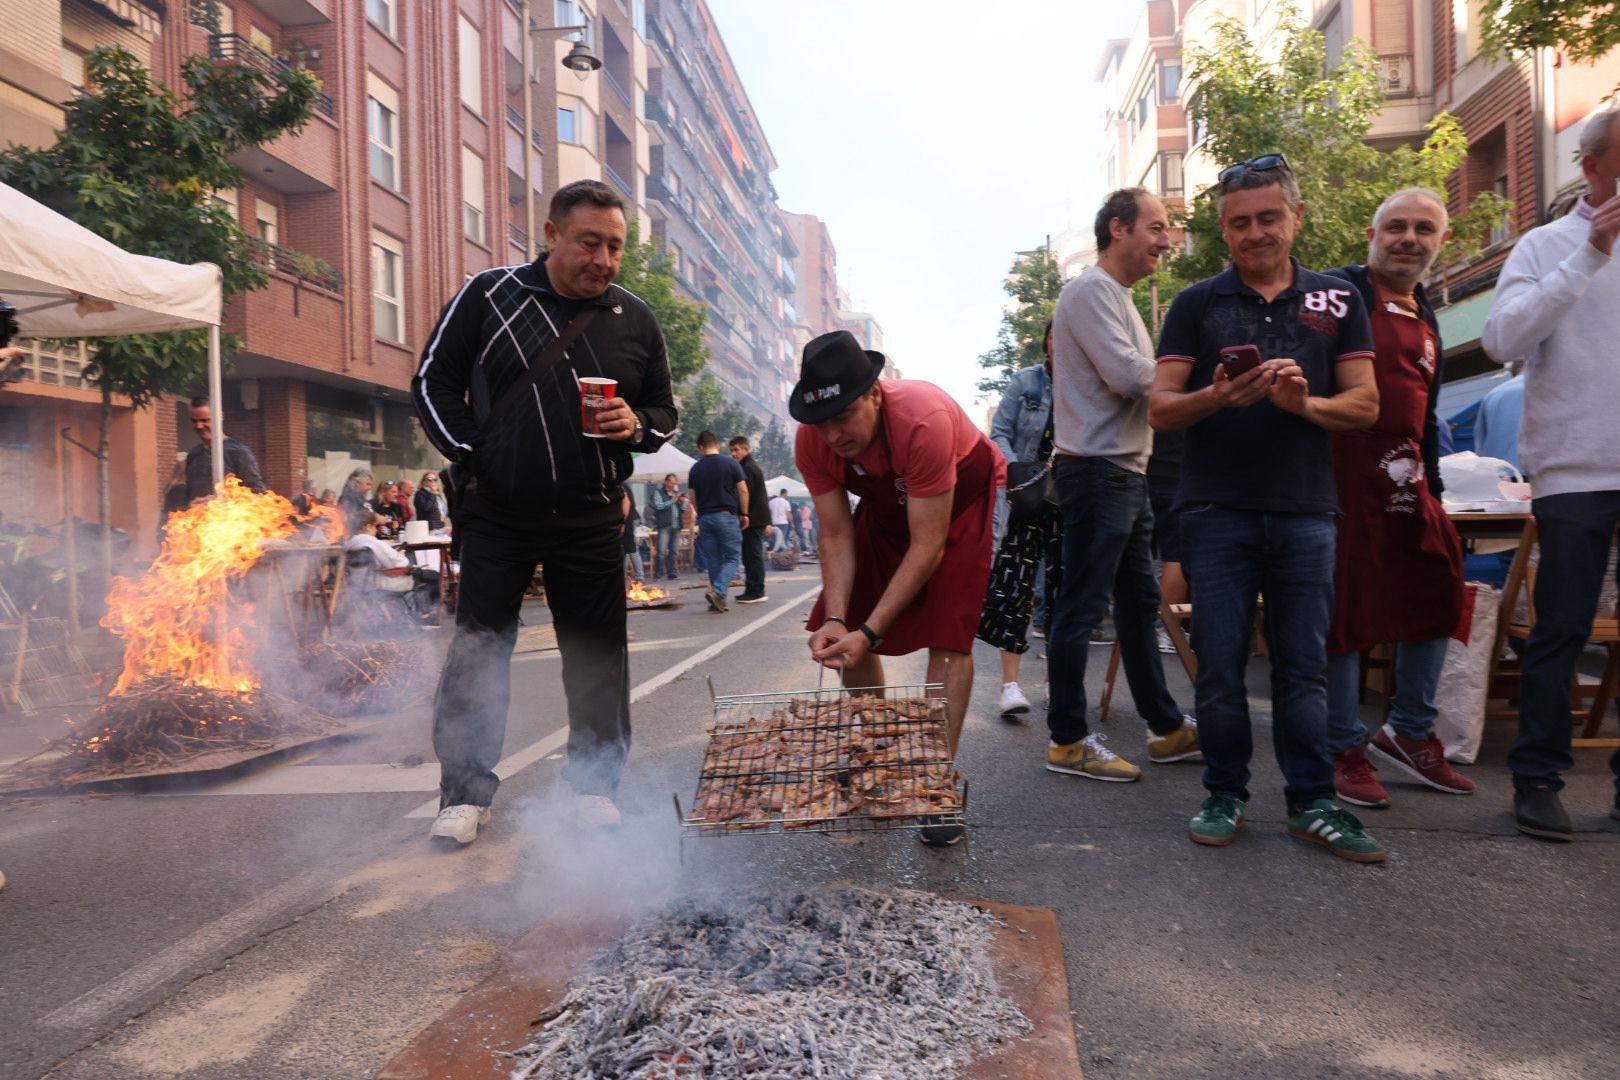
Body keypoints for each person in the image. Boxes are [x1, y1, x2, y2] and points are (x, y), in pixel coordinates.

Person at [413, 178, 677, 845]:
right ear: (553, 232)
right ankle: (464, 795)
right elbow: (430, 382)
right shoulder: (489, 293)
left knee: (597, 656)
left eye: (615, 247)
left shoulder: (635, 319)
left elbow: (665, 415)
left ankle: (595, 786)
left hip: (591, 515)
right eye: (591, 242)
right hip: (496, 513)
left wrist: (636, 425)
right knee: (481, 651)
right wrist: (474, 455)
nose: (604, 259)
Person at [1148, 153, 1387, 863]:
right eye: (1240, 222)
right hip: (1216, 511)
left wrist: (1301, 403)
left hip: (1306, 509)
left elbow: (1366, 404)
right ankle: (1225, 792)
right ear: (1224, 231)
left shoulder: (1337, 300)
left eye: (1268, 218)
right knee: (1219, 665)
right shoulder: (1197, 304)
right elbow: (1160, 409)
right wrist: (1218, 396)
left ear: (1296, 216)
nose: (1256, 233)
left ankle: (1312, 803)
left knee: (1302, 667)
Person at [794, 329, 1005, 847]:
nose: (834, 435)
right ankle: (877, 753)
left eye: (843, 416)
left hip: (960, 501)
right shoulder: (813, 442)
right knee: (849, 632)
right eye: (822, 424)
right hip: (886, 510)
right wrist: (843, 620)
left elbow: (928, 547)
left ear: (874, 393)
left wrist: (872, 628)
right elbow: (838, 533)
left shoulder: (921, 420)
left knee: (949, 635)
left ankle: (933, 783)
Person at [1481, 104, 1620, 840]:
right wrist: (1590, 254)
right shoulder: (1544, 246)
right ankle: (1537, 778)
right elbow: (1503, 335)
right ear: (1593, 167)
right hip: (1574, 469)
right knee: (1562, 625)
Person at [1322, 188, 1476, 808]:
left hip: (1408, 475)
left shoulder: (1428, 310)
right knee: (1347, 611)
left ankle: (1408, 732)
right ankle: (1342, 746)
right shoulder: (1339, 291)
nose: (1409, 239)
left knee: (1441, 588)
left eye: (1424, 230)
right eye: (1397, 227)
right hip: (1342, 471)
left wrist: (1432, 492)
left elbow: (1428, 410)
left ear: (1440, 243)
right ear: (1372, 233)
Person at [1047, 188, 1199, 782]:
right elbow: (1129, 376)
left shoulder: (1118, 297)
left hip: (1123, 474)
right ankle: (1066, 740)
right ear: (1119, 229)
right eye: (1156, 227)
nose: (1166, 240)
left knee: (1138, 605)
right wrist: (1199, 381)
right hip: (1098, 474)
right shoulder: (1089, 291)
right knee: (1080, 610)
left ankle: (1164, 728)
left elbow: (1141, 377)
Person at [980, 320, 1060, 719]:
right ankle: (1010, 687)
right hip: (1025, 499)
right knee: (1017, 588)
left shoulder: (1090, 383)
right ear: (1046, 341)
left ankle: (1056, 682)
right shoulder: (1026, 382)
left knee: (1063, 590)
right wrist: (1017, 476)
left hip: (1070, 498)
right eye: (1054, 335)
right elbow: (999, 433)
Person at [687, 431, 748, 611]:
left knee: (713, 560)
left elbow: (692, 497)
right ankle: (718, 590)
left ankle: (717, 601)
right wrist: (744, 513)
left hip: (705, 518)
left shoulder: (695, 468)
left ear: (700, 447)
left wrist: (701, 513)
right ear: (718, 445)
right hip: (726, 516)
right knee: (733, 558)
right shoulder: (730, 463)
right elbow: (743, 490)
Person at [343, 510, 440, 621]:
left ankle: (415, 616)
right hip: (381, 584)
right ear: (367, 527)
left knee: (423, 575)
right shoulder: (370, 541)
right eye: (376, 526)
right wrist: (400, 555)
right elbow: (399, 563)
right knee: (432, 576)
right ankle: (425, 616)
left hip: (360, 586)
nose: (376, 530)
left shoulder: (349, 545)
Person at [179, 397, 266, 504]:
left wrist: (219, 501)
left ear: (220, 416)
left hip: (229, 519)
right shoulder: (193, 454)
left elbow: (258, 493)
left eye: (205, 420)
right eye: (194, 420)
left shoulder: (238, 452)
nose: (199, 426)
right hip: (198, 519)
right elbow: (188, 495)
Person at [729, 435, 769, 603]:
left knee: (753, 556)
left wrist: (742, 514)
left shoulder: (748, 468)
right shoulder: (747, 466)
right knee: (749, 555)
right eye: (731, 450)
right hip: (753, 518)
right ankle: (751, 588)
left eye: (736, 449)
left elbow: (744, 494)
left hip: (753, 518)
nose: (733, 453)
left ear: (746, 449)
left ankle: (756, 591)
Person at [1473, 362, 1525, 471]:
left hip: (1503, 476)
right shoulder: (1556, 388)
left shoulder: (1492, 395)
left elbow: (1480, 444)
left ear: (1513, 371)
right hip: (1549, 476)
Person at [648, 473, 684, 579]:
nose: (674, 485)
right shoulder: (658, 493)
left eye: (675, 483)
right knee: (661, 551)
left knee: (674, 551)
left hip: (676, 525)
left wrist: (684, 503)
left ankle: (672, 573)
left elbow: (682, 510)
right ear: (666, 482)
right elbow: (659, 506)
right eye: (672, 483)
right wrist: (673, 500)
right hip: (664, 525)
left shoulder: (677, 493)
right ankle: (659, 573)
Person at [338, 468, 374, 535]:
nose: (370, 488)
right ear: (357, 483)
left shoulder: (362, 499)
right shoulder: (347, 499)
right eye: (368, 484)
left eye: (371, 485)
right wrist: (375, 517)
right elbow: (350, 520)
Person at [622, 488, 645, 581]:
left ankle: (639, 576)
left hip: (628, 520)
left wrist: (622, 522)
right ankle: (638, 576)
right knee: (627, 549)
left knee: (630, 549)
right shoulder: (624, 485)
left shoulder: (621, 485)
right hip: (632, 518)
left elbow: (626, 503)